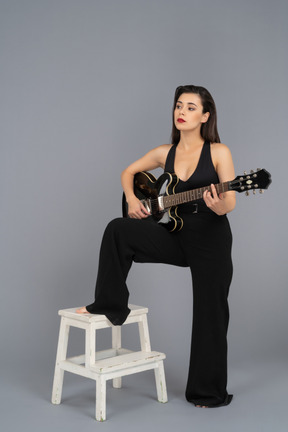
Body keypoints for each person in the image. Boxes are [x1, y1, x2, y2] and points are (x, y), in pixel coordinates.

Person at [76, 85, 236, 408]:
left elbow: (229, 202)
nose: (182, 111)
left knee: (210, 313)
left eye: (191, 107)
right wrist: (134, 200)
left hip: (211, 240)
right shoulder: (165, 152)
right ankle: (109, 303)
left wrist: (216, 203)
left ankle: (207, 392)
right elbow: (128, 172)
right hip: (176, 233)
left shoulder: (219, 153)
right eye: (179, 105)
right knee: (118, 230)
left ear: (205, 116)